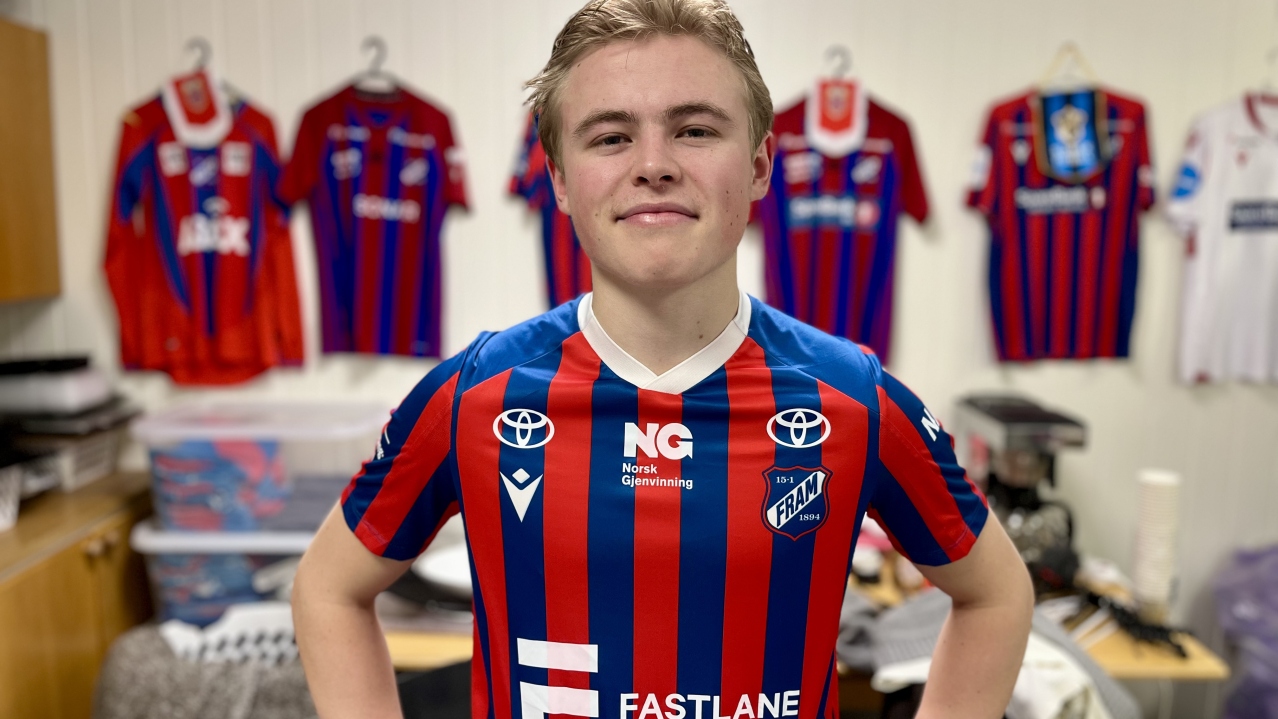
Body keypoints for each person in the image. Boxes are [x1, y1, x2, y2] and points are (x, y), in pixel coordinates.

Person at [292, 1, 1034, 718]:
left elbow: (996, 593)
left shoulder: (853, 399)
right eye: (611, 136)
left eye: (695, 130)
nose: (653, 165)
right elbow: (328, 588)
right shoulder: (474, 396)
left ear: (760, 165)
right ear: (559, 179)